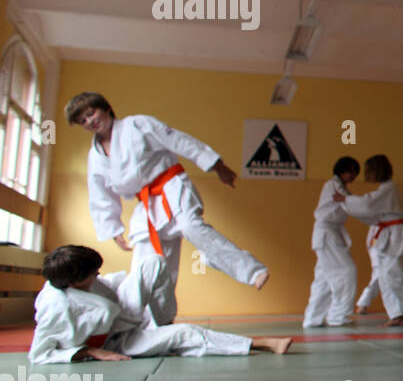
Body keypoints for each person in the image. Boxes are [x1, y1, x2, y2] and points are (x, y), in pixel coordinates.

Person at [68, 93, 269, 308]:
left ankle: (250, 270)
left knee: (191, 227)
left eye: (91, 113)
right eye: (83, 120)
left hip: (172, 186)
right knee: (148, 262)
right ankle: (154, 321)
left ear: (106, 108)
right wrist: (112, 227)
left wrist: (218, 167)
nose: (90, 121)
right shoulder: (96, 156)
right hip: (146, 204)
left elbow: (179, 141)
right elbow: (99, 191)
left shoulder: (137, 124)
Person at [29, 245, 289, 364]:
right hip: (114, 340)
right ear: (74, 282)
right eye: (92, 273)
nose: (97, 275)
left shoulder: (77, 279)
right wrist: (89, 352)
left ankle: (162, 323)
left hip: (124, 314)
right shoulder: (56, 307)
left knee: (154, 262)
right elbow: (38, 354)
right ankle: (262, 343)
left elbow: (109, 285)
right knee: (185, 334)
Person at [337, 155, 403, 327]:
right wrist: (346, 205)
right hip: (388, 234)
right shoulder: (385, 189)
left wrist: (345, 200)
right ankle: (397, 315)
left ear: (376, 171)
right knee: (385, 277)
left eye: (369, 171)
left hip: (396, 236)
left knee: (392, 273)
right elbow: (370, 213)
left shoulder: (389, 188)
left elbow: (368, 205)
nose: (367, 175)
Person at [303, 157, 360, 328]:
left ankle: (313, 319)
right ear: (341, 171)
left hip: (329, 234)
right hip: (327, 235)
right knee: (346, 272)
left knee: (324, 280)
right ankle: (337, 316)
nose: (353, 175)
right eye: (350, 171)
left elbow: (350, 202)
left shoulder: (337, 187)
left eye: (355, 172)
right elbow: (350, 203)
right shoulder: (333, 185)